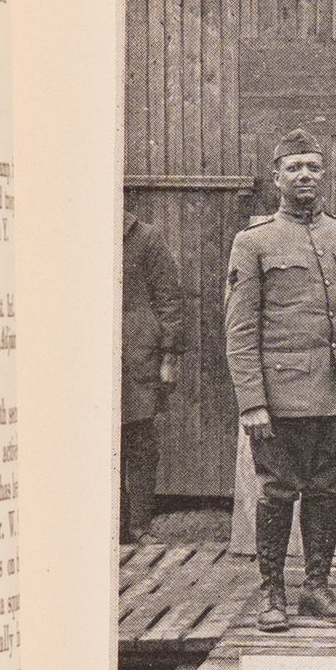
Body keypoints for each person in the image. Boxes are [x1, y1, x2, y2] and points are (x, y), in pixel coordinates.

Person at [224, 129, 336, 632]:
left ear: (324, 175)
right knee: (277, 492)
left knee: (327, 489)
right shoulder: (253, 243)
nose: (305, 177)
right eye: (294, 168)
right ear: (276, 178)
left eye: (313, 167)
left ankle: (316, 587)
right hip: (283, 397)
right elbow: (240, 329)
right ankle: (272, 592)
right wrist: (252, 402)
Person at [120, 207, 184, 543]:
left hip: (137, 358)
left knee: (141, 443)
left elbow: (169, 302)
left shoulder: (146, 237)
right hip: (88, 359)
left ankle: (139, 526)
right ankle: (110, 526)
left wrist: (169, 357)